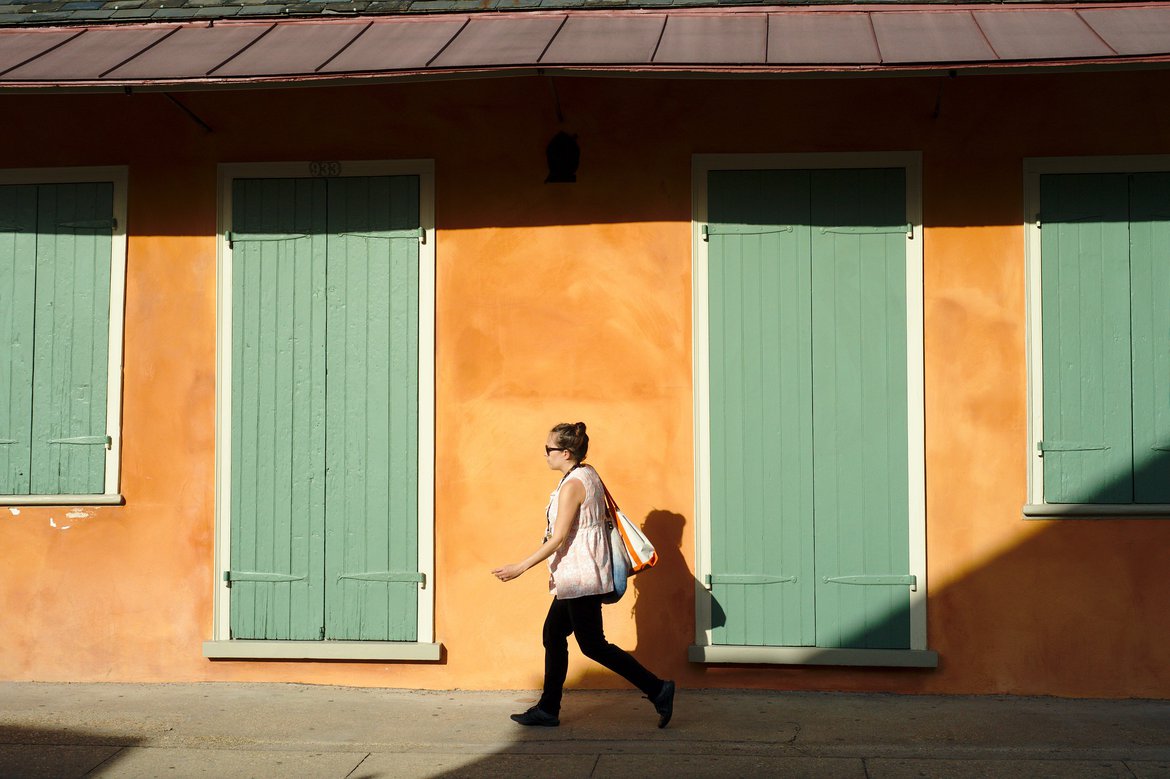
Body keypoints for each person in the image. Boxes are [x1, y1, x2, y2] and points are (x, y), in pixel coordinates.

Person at [491, 422, 675, 728]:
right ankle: (549, 708)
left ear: (565, 452)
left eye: (549, 449)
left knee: (592, 645)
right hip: (579, 575)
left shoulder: (574, 484)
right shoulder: (587, 473)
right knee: (553, 634)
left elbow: (559, 537)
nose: (545, 454)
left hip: (581, 577)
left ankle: (658, 689)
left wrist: (520, 567)